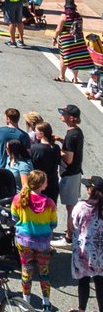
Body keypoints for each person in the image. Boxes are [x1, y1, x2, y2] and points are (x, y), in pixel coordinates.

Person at [12, 169, 57, 311]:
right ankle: (46, 303)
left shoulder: (18, 199)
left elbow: (14, 218)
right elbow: (53, 224)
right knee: (44, 272)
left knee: (26, 271)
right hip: (43, 243)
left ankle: (26, 302)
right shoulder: (49, 203)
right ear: (41, 185)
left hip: (24, 242)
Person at [70, 176, 103, 312]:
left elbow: (74, 226)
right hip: (101, 251)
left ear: (90, 190)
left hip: (84, 250)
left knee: (84, 281)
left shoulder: (81, 207)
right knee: (100, 282)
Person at [59, 104, 86, 244]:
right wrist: (60, 140)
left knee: (70, 208)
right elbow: (72, 148)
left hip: (69, 174)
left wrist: (56, 150)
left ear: (71, 117)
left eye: (63, 113)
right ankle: (71, 231)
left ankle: (68, 238)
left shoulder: (71, 135)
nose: (61, 115)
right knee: (72, 205)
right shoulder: (77, 131)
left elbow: (68, 158)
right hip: (76, 173)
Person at [54, 0, 93, 84]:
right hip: (78, 40)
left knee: (63, 57)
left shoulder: (64, 16)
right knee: (75, 59)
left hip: (66, 40)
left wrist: (54, 38)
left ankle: (62, 76)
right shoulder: (79, 17)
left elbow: (58, 29)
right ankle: (75, 79)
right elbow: (80, 29)